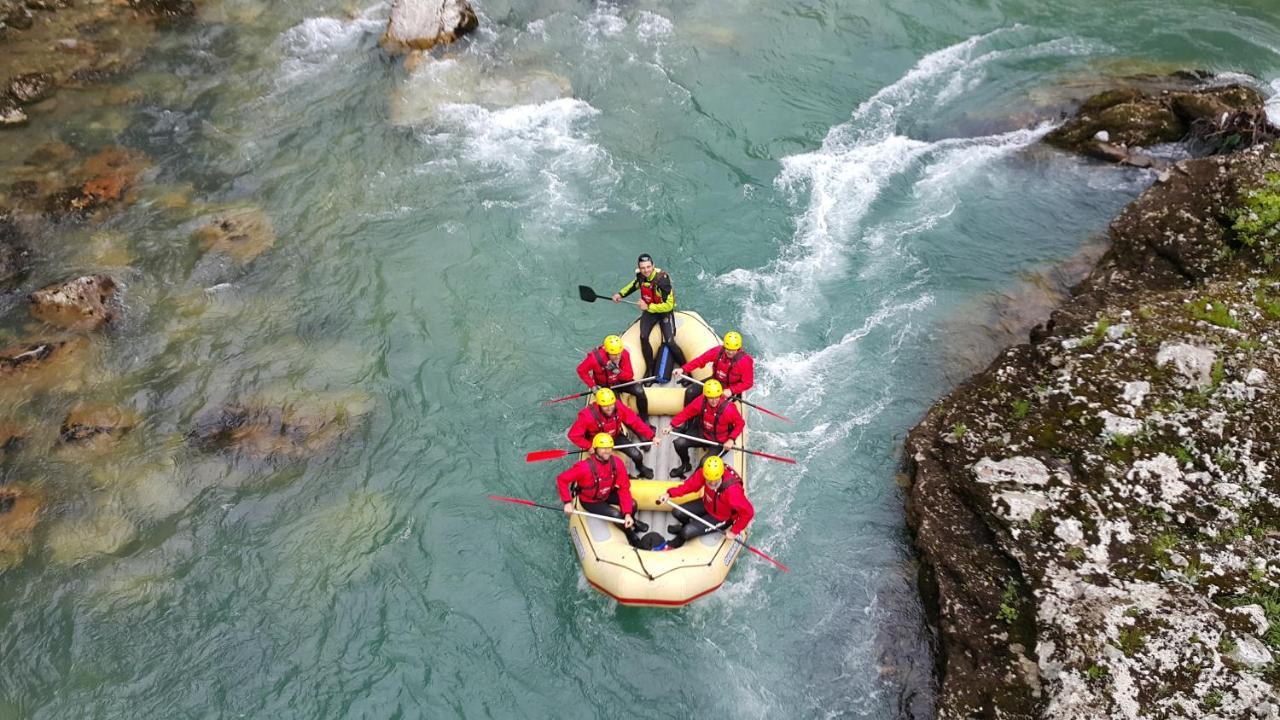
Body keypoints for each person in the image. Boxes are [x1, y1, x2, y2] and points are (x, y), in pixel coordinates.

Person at [556, 433, 648, 543]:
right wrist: (567, 502)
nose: (607, 451)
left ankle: (632, 520)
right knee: (617, 515)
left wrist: (628, 513)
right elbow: (562, 479)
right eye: (603, 448)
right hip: (591, 501)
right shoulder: (584, 467)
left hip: (607, 493)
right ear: (595, 449)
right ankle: (629, 533)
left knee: (633, 504)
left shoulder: (617, 463)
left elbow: (624, 488)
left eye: (609, 447)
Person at [658, 455, 754, 548]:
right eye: (709, 480)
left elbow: (748, 511)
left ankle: (680, 538)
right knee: (677, 512)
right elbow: (688, 486)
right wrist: (669, 494)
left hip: (722, 518)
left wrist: (734, 531)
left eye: (715, 480)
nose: (712, 483)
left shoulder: (732, 491)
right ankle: (684, 526)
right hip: (707, 503)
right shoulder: (704, 473)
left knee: (687, 532)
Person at [612, 254, 679, 378]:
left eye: (648, 267)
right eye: (643, 268)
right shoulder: (641, 277)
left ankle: (684, 367)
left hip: (663, 311)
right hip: (650, 312)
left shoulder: (662, 280)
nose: (646, 270)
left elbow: (669, 305)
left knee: (670, 341)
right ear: (639, 268)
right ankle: (650, 368)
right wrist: (620, 294)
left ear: (653, 266)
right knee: (643, 337)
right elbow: (633, 285)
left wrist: (648, 307)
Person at [662, 379, 744, 479]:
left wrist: (731, 439)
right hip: (703, 434)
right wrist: (671, 425)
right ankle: (685, 465)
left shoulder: (729, 409)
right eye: (711, 398)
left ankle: (694, 479)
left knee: (704, 462)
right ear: (706, 396)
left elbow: (740, 424)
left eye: (716, 397)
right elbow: (686, 413)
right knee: (678, 443)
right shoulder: (701, 401)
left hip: (720, 441)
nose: (714, 401)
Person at [567, 388, 658, 479]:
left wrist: (651, 436)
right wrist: (588, 446)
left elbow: (634, 421)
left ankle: (640, 467)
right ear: (599, 404)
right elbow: (573, 435)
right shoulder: (587, 416)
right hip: (598, 444)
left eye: (611, 404)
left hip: (615, 436)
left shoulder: (618, 406)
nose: (609, 408)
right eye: (605, 406)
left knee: (637, 455)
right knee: (607, 468)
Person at [576, 334, 649, 423]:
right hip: (606, 386)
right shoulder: (594, 358)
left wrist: (617, 371)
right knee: (617, 407)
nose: (618, 356)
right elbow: (581, 370)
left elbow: (629, 375)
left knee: (640, 392)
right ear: (607, 352)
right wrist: (593, 386)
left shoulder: (624, 354)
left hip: (621, 382)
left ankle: (644, 418)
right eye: (614, 354)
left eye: (619, 353)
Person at [673, 330, 754, 406]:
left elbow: (748, 383)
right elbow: (700, 360)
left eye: (733, 350)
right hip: (715, 381)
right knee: (690, 392)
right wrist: (683, 369)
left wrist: (731, 390)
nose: (730, 352)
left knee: (711, 406)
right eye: (727, 349)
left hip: (730, 388)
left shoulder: (745, 361)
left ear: (738, 348)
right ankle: (689, 420)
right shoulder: (718, 351)